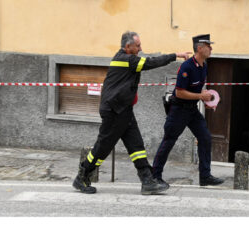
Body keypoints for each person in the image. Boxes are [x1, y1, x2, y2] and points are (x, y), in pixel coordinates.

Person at [73, 31, 191, 195]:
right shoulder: (126, 60)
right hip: (114, 110)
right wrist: (175, 55)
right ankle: (82, 176)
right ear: (128, 47)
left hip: (123, 109)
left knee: (136, 145)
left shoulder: (126, 58)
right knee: (103, 147)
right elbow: (151, 62)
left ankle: (147, 181)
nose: (140, 48)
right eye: (138, 45)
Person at [152, 34, 224, 187]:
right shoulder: (186, 67)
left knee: (205, 137)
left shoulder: (204, 65)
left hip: (192, 109)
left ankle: (205, 176)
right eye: (208, 46)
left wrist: (207, 101)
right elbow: (179, 92)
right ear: (199, 48)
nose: (211, 48)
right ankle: (155, 176)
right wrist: (200, 96)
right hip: (179, 110)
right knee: (169, 141)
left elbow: (198, 90)